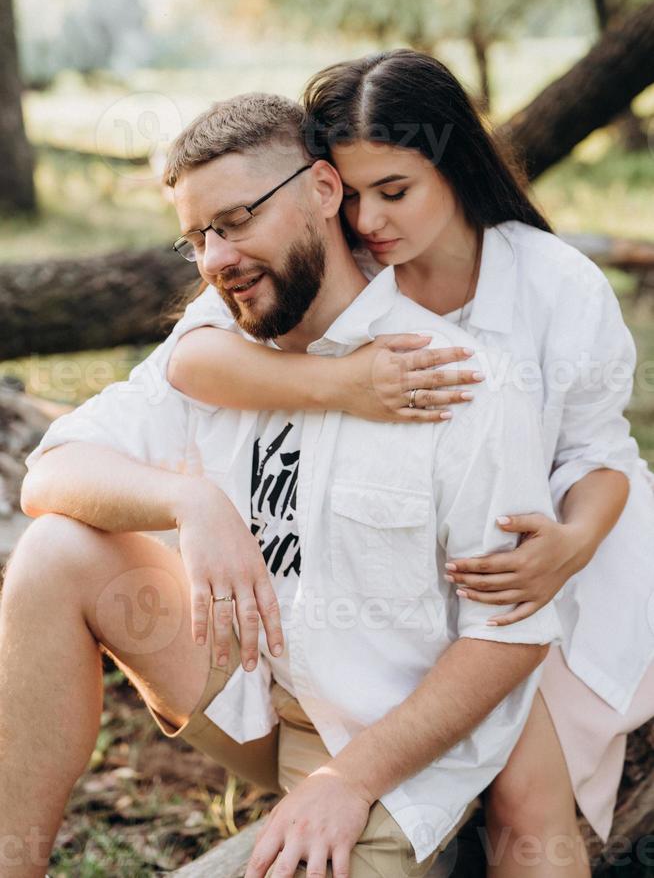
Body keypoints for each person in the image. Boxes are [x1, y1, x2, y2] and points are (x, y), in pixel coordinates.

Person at [1, 92, 562, 878]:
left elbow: (511, 634)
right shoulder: (220, 344)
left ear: (325, 192)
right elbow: (52, 469)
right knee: (55, 552)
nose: (216, 258)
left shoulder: (457, 381)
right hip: (252, 689)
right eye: (198, 237)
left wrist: (347, 779)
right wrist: (191, 503)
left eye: (237, 221)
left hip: (390, 748)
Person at [164, 52, 654, 877]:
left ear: (454, 164)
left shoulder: (551, 282)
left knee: (524, 784)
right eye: (350, 195)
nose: (371, 219)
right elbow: (189, 360)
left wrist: (567, 546)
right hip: (403, 592)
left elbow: (603, 455)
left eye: (396, 190)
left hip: (551, 572)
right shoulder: (338, 270)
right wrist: (339, 382)